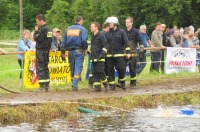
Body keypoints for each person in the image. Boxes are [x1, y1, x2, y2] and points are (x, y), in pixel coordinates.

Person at [61, 16, 88, 91]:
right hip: (79, 50)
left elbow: (63, 42)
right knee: (78, 68)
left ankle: (73, 82)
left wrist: (62, 51)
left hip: (70, 51)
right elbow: (84, 41)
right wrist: (85, 49)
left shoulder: (68, 29)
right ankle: (74, 85)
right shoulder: (82, 29)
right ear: (81, 21)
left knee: (72, 68)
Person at [104, 16, 131, 90]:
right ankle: (112, 85)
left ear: (115, 24)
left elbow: (126, 43)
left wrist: (128, 52)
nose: (109, 25)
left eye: (110, 23)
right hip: (109, 55)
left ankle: (122, 83)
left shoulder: (121, 32)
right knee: (110, 70)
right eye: (108, 23)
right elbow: (105, 44)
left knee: (121, 69)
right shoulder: (107, 33)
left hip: (119, 55)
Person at [34, 14, 52, 92]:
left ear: (41, 20)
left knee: (40, 68)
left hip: (41, 51)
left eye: (37, 21)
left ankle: (42, 86)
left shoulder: (43, 29)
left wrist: (36, 31)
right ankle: (47, 85)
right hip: (47, 50)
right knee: (45, 67)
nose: (37, 23)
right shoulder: (49, 29)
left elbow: (38, 39)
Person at [123, 17, 143, 89]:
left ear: (132, 23)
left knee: (132, 68)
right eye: (126, 22)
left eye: (128, 22)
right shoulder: (123, 31)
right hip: (124, 52)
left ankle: (133, 82)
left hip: (133, 52)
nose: (127, 23)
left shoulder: (136, 31)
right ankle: (121, 82)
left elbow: (140, 41)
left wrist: (141, 50)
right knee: (122, 68)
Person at [89, 22, 109, 92]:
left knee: (100, 71)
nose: (90, 28)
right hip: (93, 57)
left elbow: (106, 45)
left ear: (96, 27)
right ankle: (97, 87)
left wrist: (102, 54)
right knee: (95, 73)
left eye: (92, 27)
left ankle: (106, 85)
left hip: (100, 58)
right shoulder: (92, 36)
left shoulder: (101, 35)